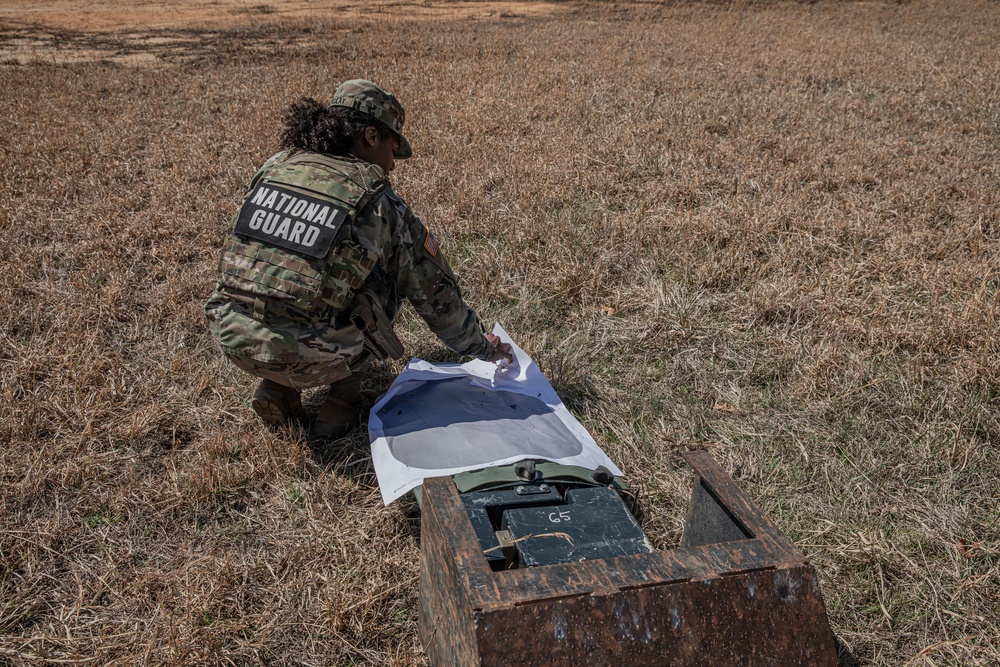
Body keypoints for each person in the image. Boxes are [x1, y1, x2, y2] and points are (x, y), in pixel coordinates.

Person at [205, 79, 512, 437]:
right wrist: (480, 346)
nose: (392, 166)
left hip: (231, 334)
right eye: (392, 149)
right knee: (386, 280)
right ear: (371, 136)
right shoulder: (379, 199)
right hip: (311, 358)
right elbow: (435, 297)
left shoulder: (277, 165)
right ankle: (341, 404)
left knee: (290, 274)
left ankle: (276, 388)